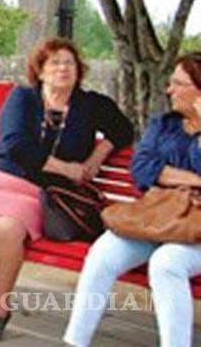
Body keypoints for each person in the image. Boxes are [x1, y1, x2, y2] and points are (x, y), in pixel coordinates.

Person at [0, 38, 133, 342]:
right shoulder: (23, 98)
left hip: (38, 190)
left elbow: (123, 129)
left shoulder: (90, 105)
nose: (62, 68)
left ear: (79, 70)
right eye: (54, 63)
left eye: (69, 63)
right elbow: (16, 144)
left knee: (6, 229)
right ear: (40, 71)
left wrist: (96, 158)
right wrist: (67, 168)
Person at [63, 52, 201, 347]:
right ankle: (75, 342)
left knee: (166, 263)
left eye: (178, 84)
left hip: (196, 231)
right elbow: (141, 168)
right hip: (160, 218)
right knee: (102, 253)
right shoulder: (164, 124)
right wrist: (195, 181)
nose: (169, 90)